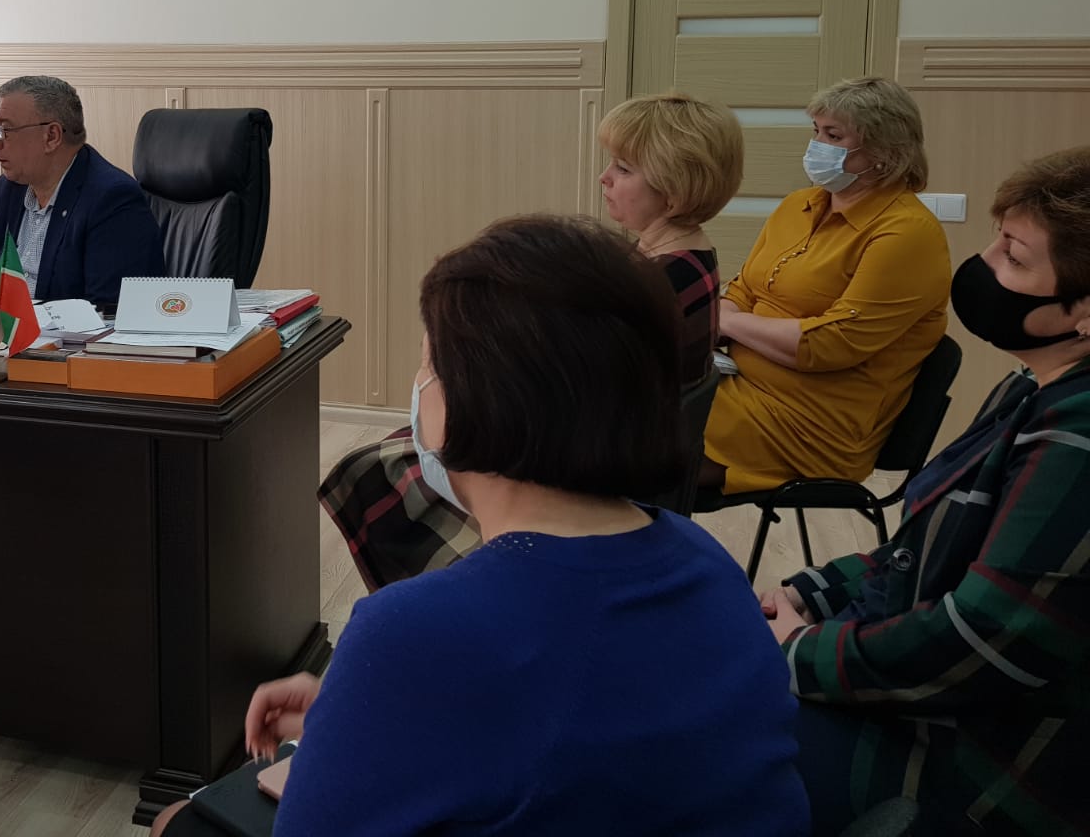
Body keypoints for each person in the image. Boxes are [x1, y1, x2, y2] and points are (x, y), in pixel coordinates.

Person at [155, 216, 807, 837]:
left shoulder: (414, 630)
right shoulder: (705, 560)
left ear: (474, 402)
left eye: (427, 365)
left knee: (178, 820)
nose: (418, 386)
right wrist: (360, 710)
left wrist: (362, 712)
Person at [764, 147, 1090, 837]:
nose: (984, 265)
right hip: (936, 697)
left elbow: (982, 639)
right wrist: (813, 593)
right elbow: (928, 548)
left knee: (705, 738)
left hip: (991, 763)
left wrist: (800, 652)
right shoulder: (1029, 389)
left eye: (1013, 257)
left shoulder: (1075, 440)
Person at [319, 92, 743, 591]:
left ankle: (457, 605)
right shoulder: (683, 256)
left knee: (373, 468)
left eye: (623, 169)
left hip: (588, 475)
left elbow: (570, 388)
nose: (604, 178)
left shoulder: (660, 279)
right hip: (612, 454)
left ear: (674, 189)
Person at [703, 76, 949, 493]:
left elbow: (830, 344)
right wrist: (726, 316)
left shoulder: (907, 232)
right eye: (816, 131)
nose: (816, 145)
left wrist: (725, 323)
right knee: (616, 397)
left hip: (809, 425)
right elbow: (744, 288)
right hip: (740, 384)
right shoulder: (797, 205)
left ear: (884, 151)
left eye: (833, 136)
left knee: (633, 431)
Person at [0, 75, 164, 309]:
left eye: (5, 131)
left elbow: (108, 311)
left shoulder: (112, 199)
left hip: (65, 333)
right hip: (7, 330)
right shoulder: (9, 189)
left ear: (52, 136)